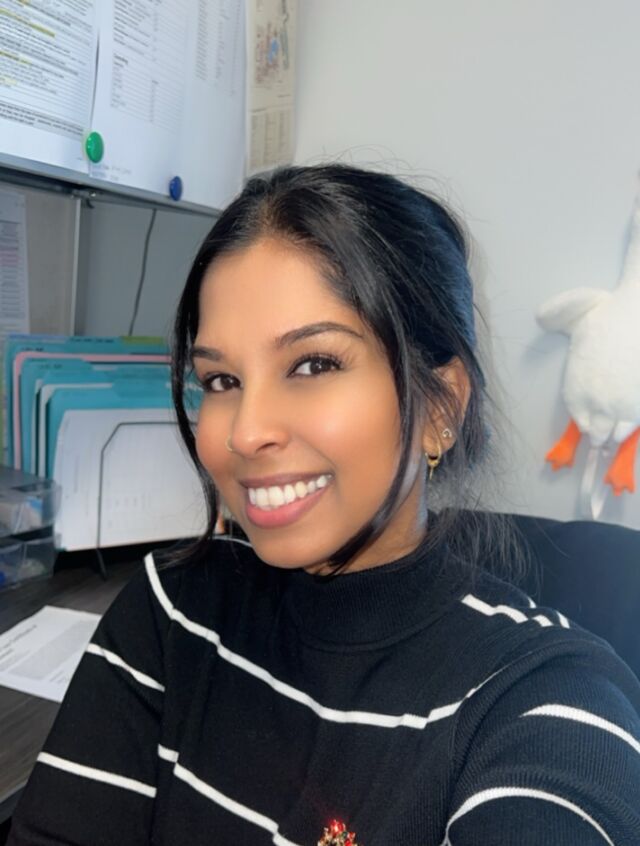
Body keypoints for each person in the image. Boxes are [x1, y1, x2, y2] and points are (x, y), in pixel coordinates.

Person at [9, 164, 640, 845]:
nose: (246, 432)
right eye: (220, 380)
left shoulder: (548, 703)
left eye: (313, 365)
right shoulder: (171, 609)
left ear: (440, 407)